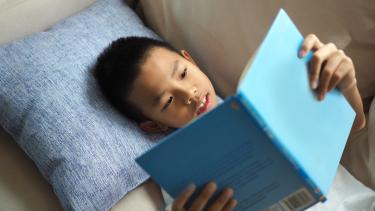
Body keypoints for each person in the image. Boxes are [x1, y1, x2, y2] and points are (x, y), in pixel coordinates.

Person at [93, 35, 366, 211]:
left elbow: (355, 124)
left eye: (184, 73)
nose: (189, 94)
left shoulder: (264, 93)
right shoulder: (181, 185)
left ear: (191, 60)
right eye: (167, 102)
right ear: (154, 125)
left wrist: (346, 83)